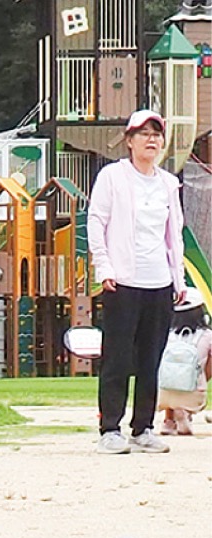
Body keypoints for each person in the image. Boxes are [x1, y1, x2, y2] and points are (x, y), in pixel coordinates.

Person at [88, 109, 188, 455]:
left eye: (156, 134)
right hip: (122, 281)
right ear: (129, 141)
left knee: (151, 358)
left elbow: (173, 233)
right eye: (143, 134)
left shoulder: (167, 183)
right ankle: (109, 428)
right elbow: (96, 222)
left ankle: (143, 426)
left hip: (158, 281)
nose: (151, 140)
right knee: (117, 356)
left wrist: (179, 278)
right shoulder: (113, 177)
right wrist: (104, 267)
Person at [158, 294, 211, 435]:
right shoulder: (207, 335)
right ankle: (185, 412)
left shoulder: (166, 334)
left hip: (162, 394)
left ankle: (168, 420)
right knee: (193, 376)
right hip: (193, 394)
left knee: (170, 377)